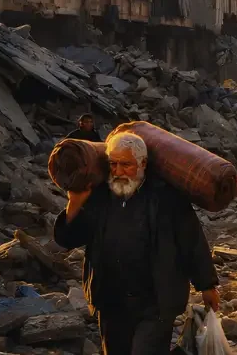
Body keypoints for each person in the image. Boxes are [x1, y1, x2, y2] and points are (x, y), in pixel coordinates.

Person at [54, 133, 220, 355]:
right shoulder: (100, 195)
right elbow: (67, 239)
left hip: (155, 301)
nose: (119, 171)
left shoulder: (166, 197)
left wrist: (206, 284)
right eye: (113, 164)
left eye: (126, 165)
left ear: (143, 163)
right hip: (111, 300)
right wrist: (74, 204)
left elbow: (191, 240)